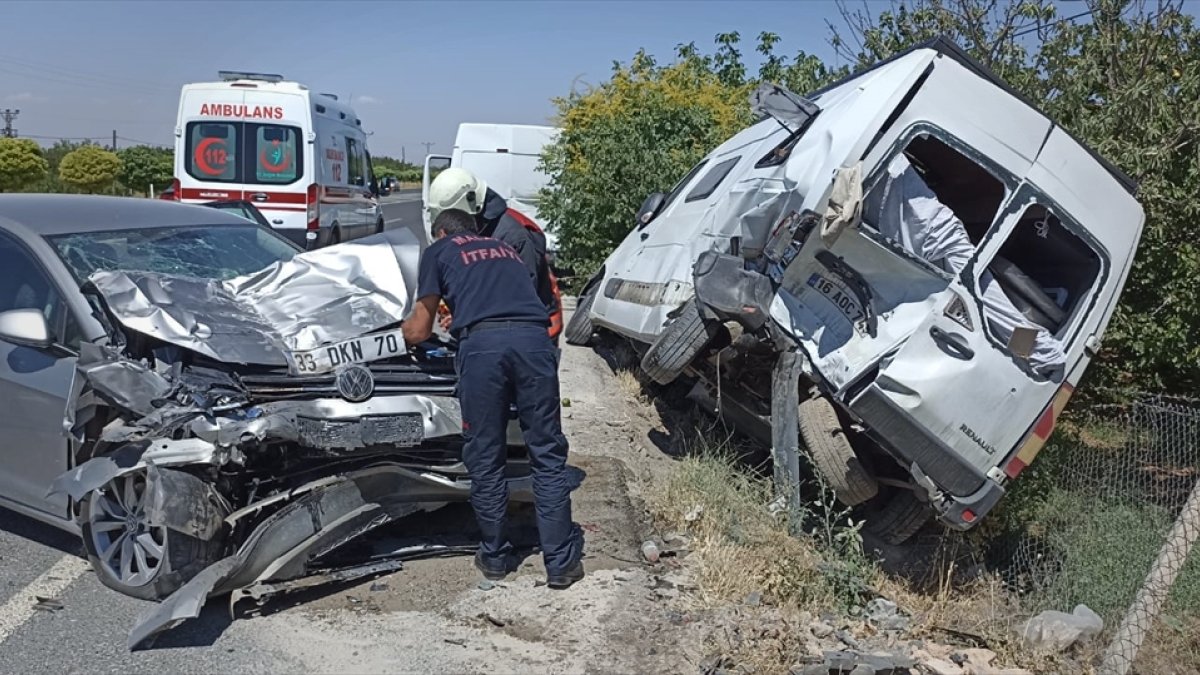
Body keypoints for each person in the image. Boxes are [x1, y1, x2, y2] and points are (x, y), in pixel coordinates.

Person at [401, 208, 585, 588]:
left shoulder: (439, 251)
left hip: (484, 349)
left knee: (485, 453)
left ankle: (496, 557)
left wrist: (400, 329)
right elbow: (505, 298)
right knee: (547, 453)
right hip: (535, 344)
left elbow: (419, 330)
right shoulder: (506, 249)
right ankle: (561, 564)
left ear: (441, 232)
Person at [865, 154, 1067, 376]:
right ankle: (1040, 354)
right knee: (992, 310)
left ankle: (1045, 354)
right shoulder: (886, 162)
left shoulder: (885, 160)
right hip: (933, 239)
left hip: (942, 240)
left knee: (994, 308)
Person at [426, 167, 564, 343]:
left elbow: (518, 298)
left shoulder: (514, 237)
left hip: (531, 334)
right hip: (494, 331)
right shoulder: (479, 230)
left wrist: (468, 315)